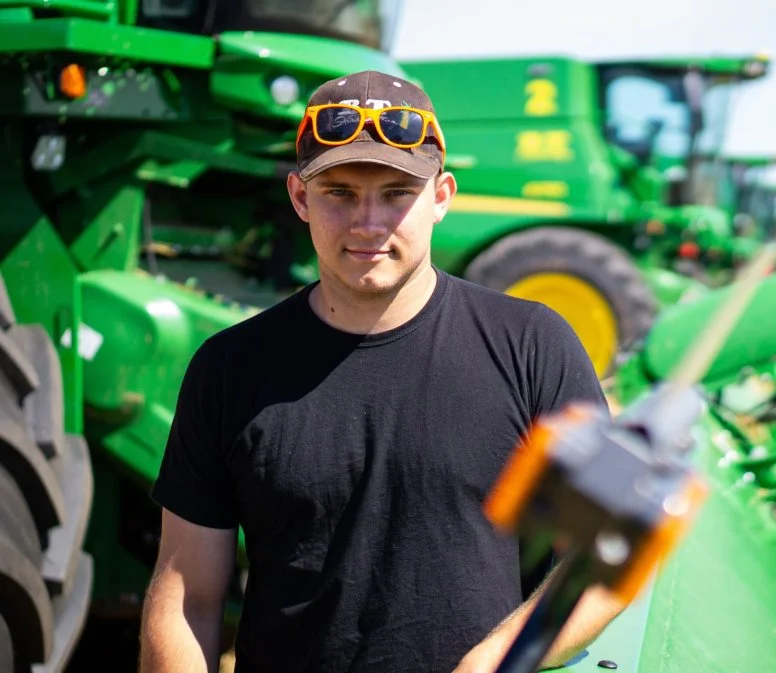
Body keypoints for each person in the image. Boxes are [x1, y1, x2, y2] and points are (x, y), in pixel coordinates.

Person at [138, 70, 625, 673]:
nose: (368, 223)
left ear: (441, 197)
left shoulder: (532, 345)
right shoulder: (229, 368)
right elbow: (187, 596)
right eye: (339, 192)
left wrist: (494, 659)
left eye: (397, 193)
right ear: (299, 198)